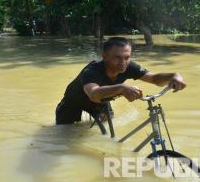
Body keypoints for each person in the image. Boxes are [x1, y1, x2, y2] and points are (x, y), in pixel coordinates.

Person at [55, 37, 187, 125]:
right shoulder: (91, 71)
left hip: (99, 104)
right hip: (73, 103)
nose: (123, 63)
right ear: (104, 56)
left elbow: (154, 79)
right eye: (117, 58)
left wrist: (173, 75)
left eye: (127, 57)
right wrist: (122, 88)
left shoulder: (129, 66)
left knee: (106, 128)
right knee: (66, 136)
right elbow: (94, 94)